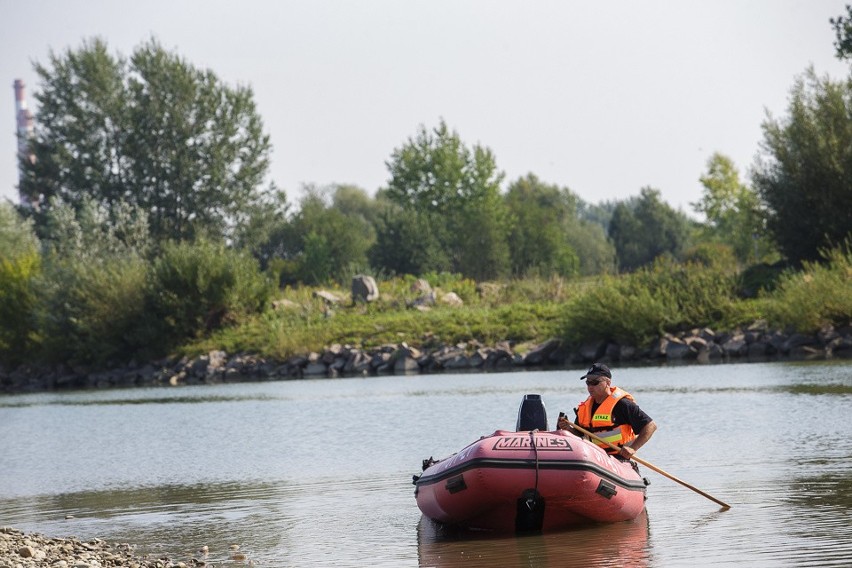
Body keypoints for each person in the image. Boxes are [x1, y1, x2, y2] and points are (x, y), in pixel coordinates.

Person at [556, 363, 657, 460]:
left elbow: (651, 426)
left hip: (619, 459)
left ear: (608, 383)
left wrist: (633, 448)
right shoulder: (585, 407)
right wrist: (568, 429)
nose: (590, 386)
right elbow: (581, 435)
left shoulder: (622, 404)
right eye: (588, 382)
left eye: (595, 382)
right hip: (594, 458)